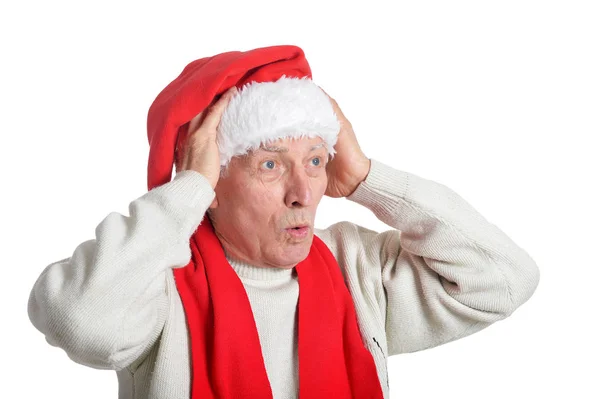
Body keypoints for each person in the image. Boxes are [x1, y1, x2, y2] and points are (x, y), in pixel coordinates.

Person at [27, 45, 540, 399]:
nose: (303, 193)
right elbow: (81, 322)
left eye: (316, 160)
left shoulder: (354, 268)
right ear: (211, 182)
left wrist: (365, 177)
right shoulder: (155, 280)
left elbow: (504, 279)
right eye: (270, 164)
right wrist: (184, 193)